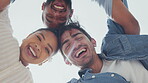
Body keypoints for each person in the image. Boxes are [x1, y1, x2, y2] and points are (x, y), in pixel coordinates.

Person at [58, 0, 148, 83]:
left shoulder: (114, 44)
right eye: (68, 46)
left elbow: (129, 22)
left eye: (78, 38)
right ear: (67, 61)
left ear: (93, 42)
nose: (76, 45)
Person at [0, 0, 58, 82]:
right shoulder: (4, 28)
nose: (38, 47)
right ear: (27, 36)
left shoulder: (27, 80)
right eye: (38, 38)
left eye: (47, 49)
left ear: (44, 61)